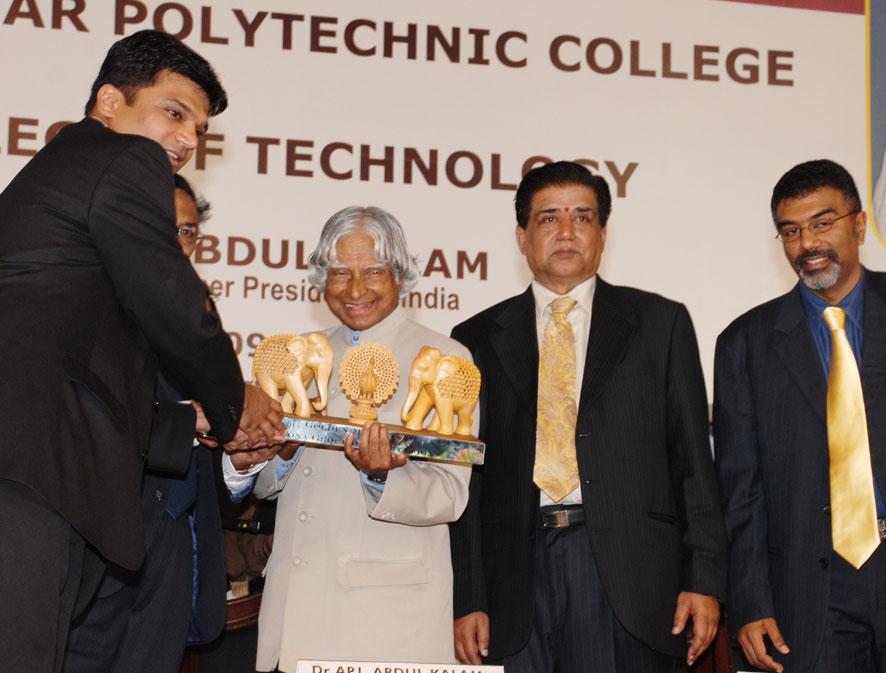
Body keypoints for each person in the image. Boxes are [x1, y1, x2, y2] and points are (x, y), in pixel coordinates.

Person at [0, 30, 283, 673]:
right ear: (110, 101)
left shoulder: (68, 175)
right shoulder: (124, 158)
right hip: (29, 474)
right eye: (174, 113)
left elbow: (89, 366)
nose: (186, 140)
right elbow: (177, 304)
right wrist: (236, 404)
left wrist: (196, 419)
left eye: (199, 130)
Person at [449, 161, 727, 673]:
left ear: (602, 234)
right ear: (522, 237)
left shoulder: (660, 324)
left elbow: (693, 463)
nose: (566, 232)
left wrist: (703, 579)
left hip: (630, 576)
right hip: (514, 581)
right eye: (549, 218)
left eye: (582, 217)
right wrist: (468, 595)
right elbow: (468, 480)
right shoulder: (475, 339)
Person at [223, 206, 474, 672]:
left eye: (373, 271)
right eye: (339, 272)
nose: (355, 290)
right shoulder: (297, 355)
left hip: (386, 626)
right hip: (293, 615)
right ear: (322, 278)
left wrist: (380, 478)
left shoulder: (442, 358)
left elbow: (449, 495)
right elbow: (265, 487)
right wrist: (278, 456)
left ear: (401, 275)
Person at [714, 159, 886, 673]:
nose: (807, 243)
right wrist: (751, 601)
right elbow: (740, 489)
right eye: (791, 231)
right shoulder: (745, 343)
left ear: (859, 225)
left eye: (822, 223)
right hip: (812, 595)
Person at [63, 175, 228, 673]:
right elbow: (77, 417)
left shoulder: (199, 316)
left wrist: (241, 450)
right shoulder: (79, 302)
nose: (176, 243)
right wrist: (189, 421)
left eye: (187, 231)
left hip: (171, 554)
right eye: (161, 226)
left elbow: (208, 439)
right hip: (93, 547)